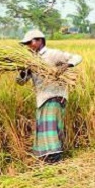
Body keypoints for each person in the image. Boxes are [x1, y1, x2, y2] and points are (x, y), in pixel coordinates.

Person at [16, 30, 82, 163]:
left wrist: (67, 65)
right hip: (42, 97)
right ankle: (48, 156)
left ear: (40, 40)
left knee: (50, 125)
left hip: (55, 94)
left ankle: (54, 157)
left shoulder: (52, 54)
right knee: (45, 126)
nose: (28, 45)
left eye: (30, 42)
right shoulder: (30, 60)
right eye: (26, 44)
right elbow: (21, 82)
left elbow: (76, 57)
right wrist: (23, 71)